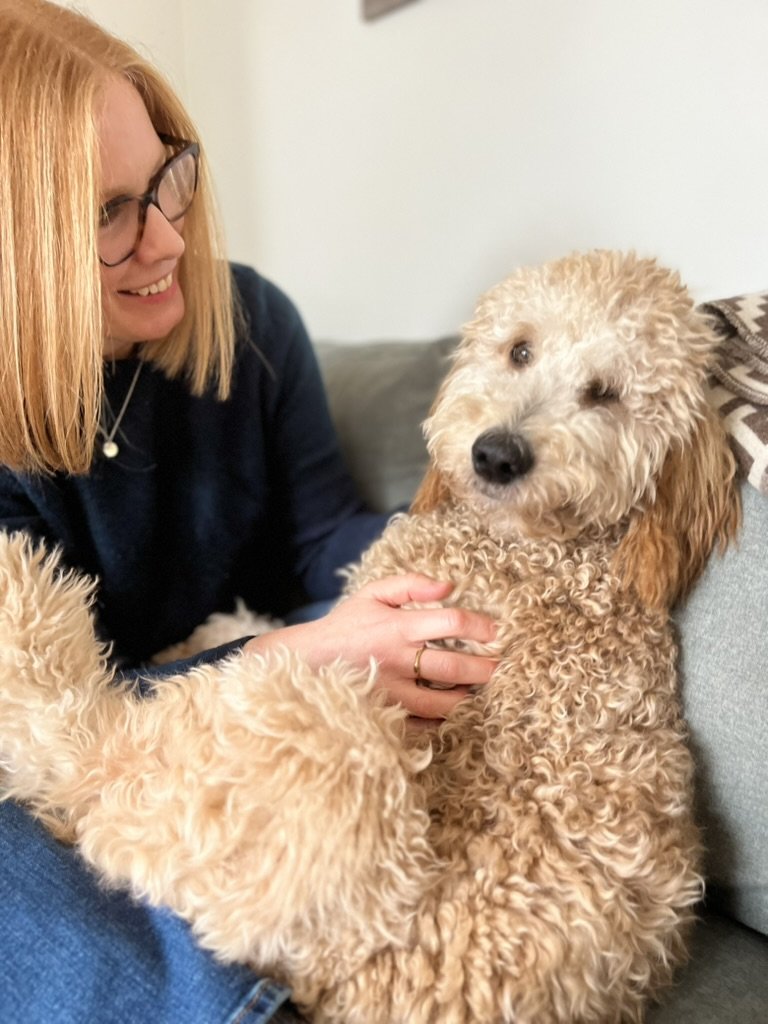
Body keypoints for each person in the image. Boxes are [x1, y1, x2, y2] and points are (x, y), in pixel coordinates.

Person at [0, 2, 498, 1021]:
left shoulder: (252, 324)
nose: (170, 236)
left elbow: (322, 547)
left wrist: (474, 541)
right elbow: (52, 739)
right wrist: (294, 657)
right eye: (111, 213)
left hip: (191, 750)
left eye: (167, 181)